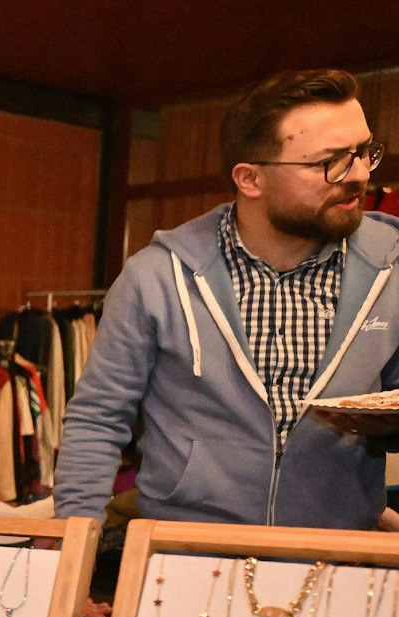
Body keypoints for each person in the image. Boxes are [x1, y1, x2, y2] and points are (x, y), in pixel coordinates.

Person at [56, 69, 399, 534]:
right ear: (250, 178)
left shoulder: (391, 268)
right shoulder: (156, 277)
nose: (359, 175)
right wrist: (75, 555)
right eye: (333, 161)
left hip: (339, 558)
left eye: (363, 152)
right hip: (184, 556)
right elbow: (98, 420)